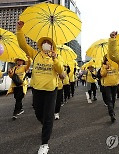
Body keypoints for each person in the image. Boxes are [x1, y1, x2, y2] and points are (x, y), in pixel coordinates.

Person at [16, 21, 64, 154]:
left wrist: (55, 58)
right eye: (44, 42)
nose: (46, 44)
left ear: (52, 46)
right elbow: (23, 45)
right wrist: (19, 30)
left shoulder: (57, 57)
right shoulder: (35, 54)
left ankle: (44, 143)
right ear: (41, 45)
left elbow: (60, 70)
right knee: (38, 112)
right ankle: (46, 125)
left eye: (49, 42)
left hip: (51, 90)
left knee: (48, 115)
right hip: (37, 89)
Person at [100, 54, 119, 123]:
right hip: (107, 84)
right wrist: (106, 68)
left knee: (113, 98)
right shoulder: (103, 66)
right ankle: (111, 113)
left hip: (115, 83)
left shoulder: (115, 64)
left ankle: (112, 111)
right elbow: (102, 74)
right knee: (109, 99)